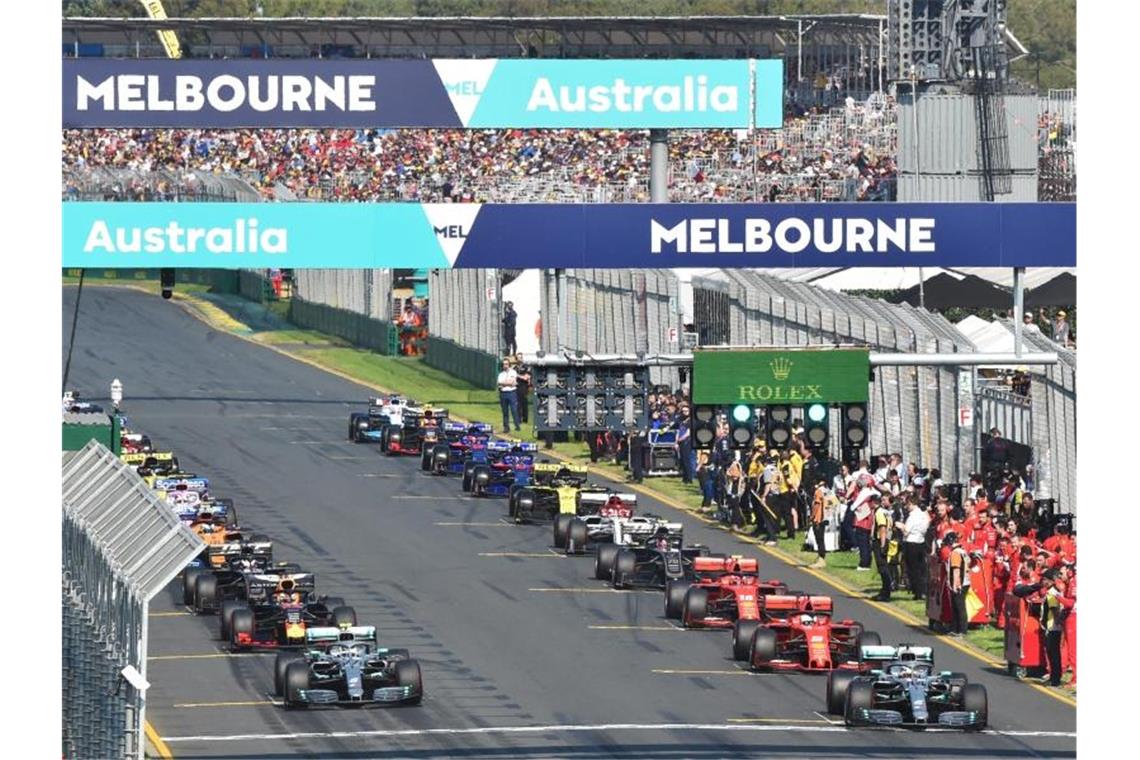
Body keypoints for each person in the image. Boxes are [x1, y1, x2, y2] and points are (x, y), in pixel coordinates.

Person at [901, 496, 931, 600]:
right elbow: (928, 523)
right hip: (921, 541)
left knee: (913, 569)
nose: (906, 507)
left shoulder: (912, 516)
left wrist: (900, 526)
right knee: (921, 568)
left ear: (911, 503)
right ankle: (923, 590)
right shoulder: (924, 515)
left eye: (907, 505)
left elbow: (906, 531)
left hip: (911, 542)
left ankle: (917, 591)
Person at [945, 533, 971, 636]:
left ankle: (962, 630)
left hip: (960, 583)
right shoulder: (962, 551)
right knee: (957, 606)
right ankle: (955, 629)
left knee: (959, 607)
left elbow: (956, 570)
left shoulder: (955, 553)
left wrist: (956, 585)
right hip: (965, 582)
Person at [871, 493, 894, 600]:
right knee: (883, 567)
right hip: (886, 539)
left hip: (881, 540)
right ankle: (884, 590)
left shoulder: (879, 512)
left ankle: (886, 592)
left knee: (883, 568)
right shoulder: (886, 512)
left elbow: (882, 528)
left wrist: (882, 545)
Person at [496, 359, 520, 433]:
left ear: (509, 365)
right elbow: (499, 383)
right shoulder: (501, 374)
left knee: (514, 410)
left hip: (512, 393)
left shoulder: (513, 372)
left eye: (506, 364)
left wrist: (504, 383)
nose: (505, 366)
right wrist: (506, 384)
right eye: (504, 364)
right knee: (505, 411)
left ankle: (517, 425)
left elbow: (512, 382)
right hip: (503, 393)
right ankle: (506, 427)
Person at [513, 354, 531, 425]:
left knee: (524, 403)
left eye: (520, 358)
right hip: (517, 386)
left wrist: (517, 375)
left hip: (524, 386)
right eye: (518, 358)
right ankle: (518, 418)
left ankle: (525, 419)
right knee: (518, 403)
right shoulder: (514, 368)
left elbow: (526, 377)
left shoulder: (526, 367)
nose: (519, 359)